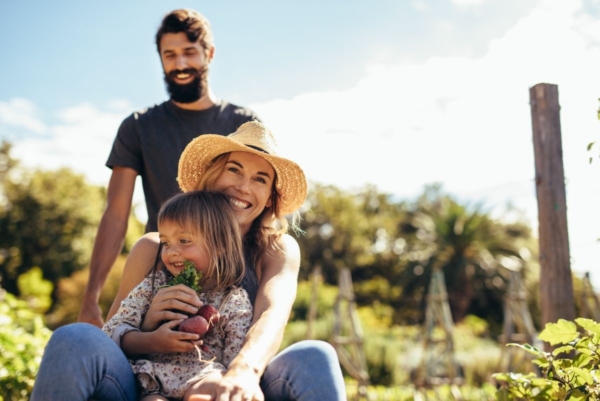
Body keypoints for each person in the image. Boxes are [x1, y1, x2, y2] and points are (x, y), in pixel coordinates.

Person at [31, 120, 347, 401]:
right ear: (212, 176)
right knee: (73, 338)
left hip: (227, 379)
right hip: (144, 383)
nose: (243, 186)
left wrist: (243, 372)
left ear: (270, 198)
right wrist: (148, 325)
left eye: (260, 179)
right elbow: (112, 336)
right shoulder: (154, 248)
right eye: (234, 169)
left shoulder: (275, 248)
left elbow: (272, 316)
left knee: (316, 354)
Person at [78, 8, 260, 328]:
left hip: (233, 274)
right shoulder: (138, 126)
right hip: (163, 270)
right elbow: (116, 215)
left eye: (189, 52)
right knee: (118, 348)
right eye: (170, 54)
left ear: (209, 54)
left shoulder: (242, 124)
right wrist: (91, 297)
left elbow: (259, 202)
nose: (180, 64)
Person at [103, 190, 253, 400]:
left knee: (213, 385)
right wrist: (152, 340)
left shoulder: (233, 300)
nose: (172, 251)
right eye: (165, 243)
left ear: (220, 246)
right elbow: (110, 332)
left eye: (184, 241)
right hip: (154, 379)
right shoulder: (153, 287)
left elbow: (235, 356)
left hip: (203, 375)